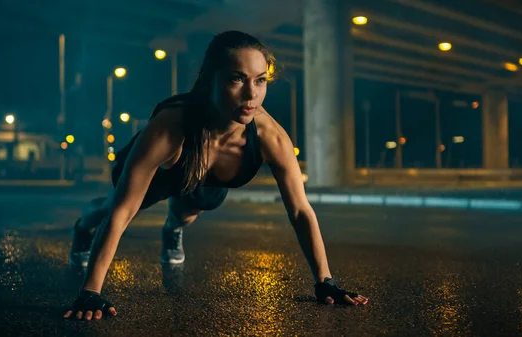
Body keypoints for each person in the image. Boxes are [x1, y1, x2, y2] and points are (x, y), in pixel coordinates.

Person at [63, 31, 368, 321]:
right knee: (109, 209)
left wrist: (325, 281)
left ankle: (173, 226)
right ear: (211, 79)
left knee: (186, 215)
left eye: (260, 81)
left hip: (205, 181)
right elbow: (122, 211)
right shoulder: (170, 126)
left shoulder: (270, 137)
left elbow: (301, 210)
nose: (251, 94)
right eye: (237, 79)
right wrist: (91, 291)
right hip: (163, 173)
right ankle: (81, 226)